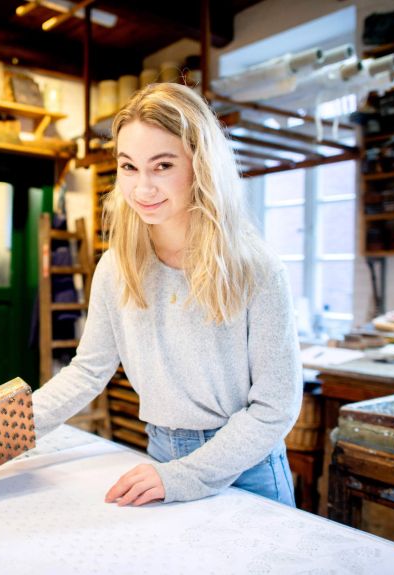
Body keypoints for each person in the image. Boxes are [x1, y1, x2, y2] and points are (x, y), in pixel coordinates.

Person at [32, 82, 302, 508]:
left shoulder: (256, 269)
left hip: (245, 469)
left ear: (202, 165)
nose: (142, 189)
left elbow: (275, 408)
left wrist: (184, 476)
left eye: (162, 166)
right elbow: (87, 371)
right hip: (161, 454)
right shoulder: (117, 268)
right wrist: (7, 429)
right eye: (128, 167)